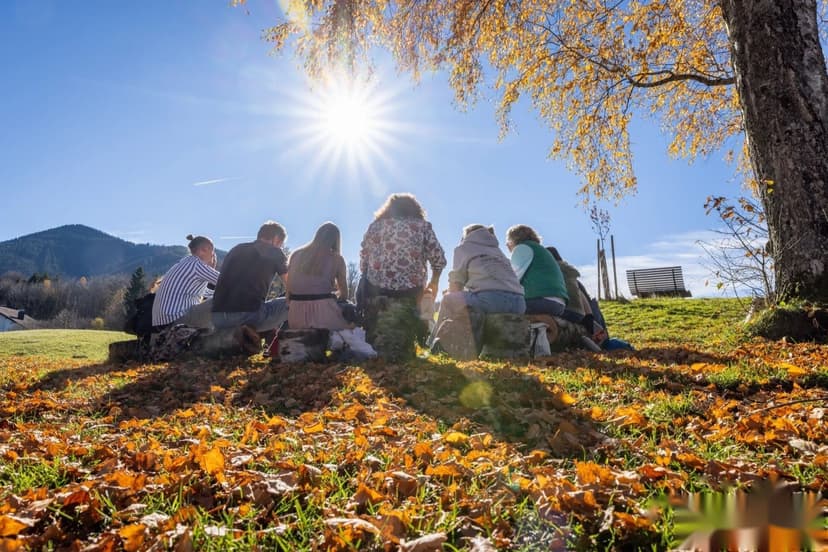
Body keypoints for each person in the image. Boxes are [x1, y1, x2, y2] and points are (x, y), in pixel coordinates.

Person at [359, 193, 446, 356]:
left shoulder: (375, 227)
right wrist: (434, 282)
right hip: (410, 291)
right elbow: (438, 259)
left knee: (378, 343)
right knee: (402, 345)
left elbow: (364, 259)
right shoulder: (422, 226)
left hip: (375, 289)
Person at [433, 224, 525, 330]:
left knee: (447, 299)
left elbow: (455, 285)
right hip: (519, 303)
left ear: (466, 236)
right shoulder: (498, 252)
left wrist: (451, 294)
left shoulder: (463, 248)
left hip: (491, 300)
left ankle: (435, 343)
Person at [211, 221, 289, 339]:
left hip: (217, 318)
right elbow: (292, 285)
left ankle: (230, 334)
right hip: (247, 316)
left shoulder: (236, 249)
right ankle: (283, 344)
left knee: (259, 306)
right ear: (276, 238)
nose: (280, 247)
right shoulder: (275, 252)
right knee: (295, 302)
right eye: (281, 244)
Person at [286, 222, 351, 330]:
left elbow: (288, 294)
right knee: (352, 329)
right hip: (324, 313)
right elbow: (344, 294)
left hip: (296, 313)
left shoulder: (295, 255)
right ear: (336, 240)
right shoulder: (337, 259)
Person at [151, 234, 219, 329]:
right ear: (204, 250)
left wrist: (210, 270)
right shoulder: (196, 265)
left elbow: (204, 293)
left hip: (164, 322)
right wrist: (212, 269)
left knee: (218, 297)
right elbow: (226, 281)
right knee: (222, 299)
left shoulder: (186, 262)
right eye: (213, 253)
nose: (213, 257)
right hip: (176, 319)